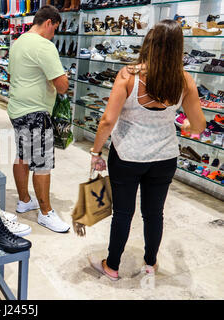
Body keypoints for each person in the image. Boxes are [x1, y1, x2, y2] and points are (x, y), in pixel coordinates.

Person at [88, 19, 206, 280]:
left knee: (123, 212)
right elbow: (198, 125)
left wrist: (96, 152)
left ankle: (112, 266)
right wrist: (184, 124)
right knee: (154, 213)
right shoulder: (185, 80)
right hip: (164, 157)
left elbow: (108, 120)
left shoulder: (128, 75)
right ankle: (150, 263)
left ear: (149, 44)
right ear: (178, 48)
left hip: (128, 155)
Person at [7, 5, 70, 233]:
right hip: (36, 111)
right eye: (55, 28)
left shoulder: (19, 41)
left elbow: (11, 75)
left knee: (22, 156)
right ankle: (46, 213)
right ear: (49, 23)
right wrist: (64, 78)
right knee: (42, 164)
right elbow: (62, 85)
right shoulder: (44, 46)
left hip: (17, 108)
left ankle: (24, 200)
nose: (55, 33)